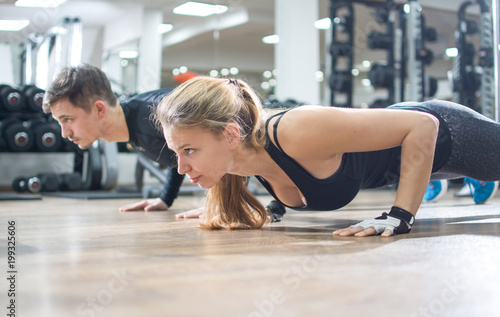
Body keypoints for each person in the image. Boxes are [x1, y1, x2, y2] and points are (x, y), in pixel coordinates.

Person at [153, 76, 500, 237]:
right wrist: (261, 209)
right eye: (177, 153)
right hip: (425, 162)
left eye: (189, 151)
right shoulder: (239, 160)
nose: (181, 168)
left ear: (230, 134)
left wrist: (399, 216)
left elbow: (423, 126)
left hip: (449, 136)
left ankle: (474, 173)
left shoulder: (296, 130)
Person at [42, 63, 187, 213]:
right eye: (60, 122)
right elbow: (177, 156)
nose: (64, 133)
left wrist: (213, 206)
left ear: (99, 109)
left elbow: (210, 130)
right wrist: (166, 198)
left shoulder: (158, 110)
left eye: (68, 119)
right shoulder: (135, 125)